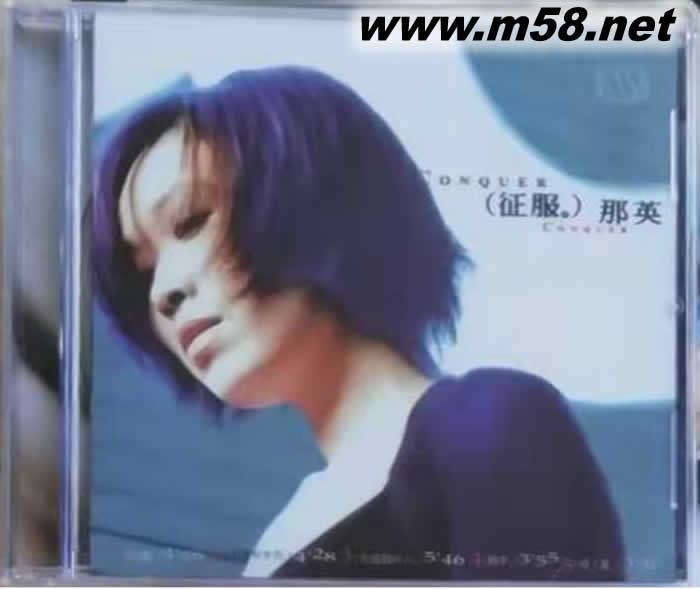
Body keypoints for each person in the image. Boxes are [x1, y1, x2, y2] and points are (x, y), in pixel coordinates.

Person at [92, 66, 624, 581]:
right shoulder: (283, 534)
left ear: (307, 195)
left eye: (190, 221)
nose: (162, 292)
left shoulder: (490, 424)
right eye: (143, 271)